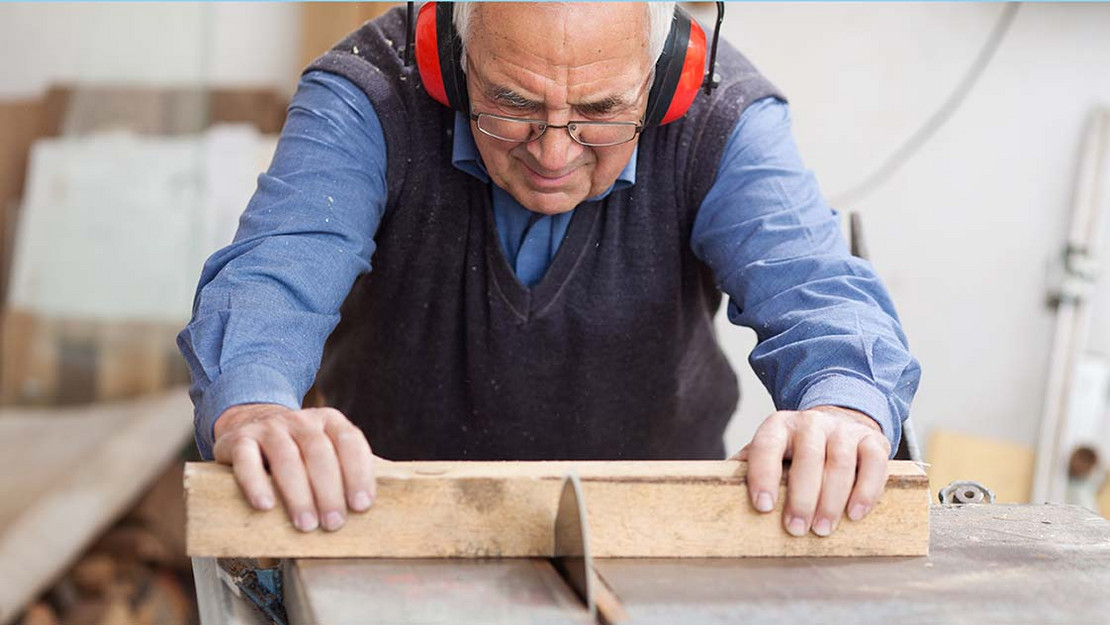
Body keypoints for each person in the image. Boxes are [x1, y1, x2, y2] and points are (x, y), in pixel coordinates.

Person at [178, 2, 920, 540]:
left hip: (657, 539)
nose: (555, 153)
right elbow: (272, 279)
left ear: (664, 82)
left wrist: (844, 409)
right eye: (511, 103)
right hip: (382, 528)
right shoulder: (371, 94)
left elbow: (819, 289)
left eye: (600, 111)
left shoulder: (721, 115)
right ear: (448, 60)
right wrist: (256, 407)